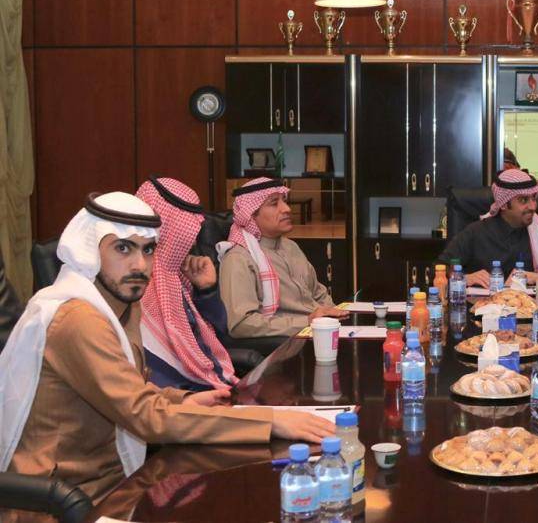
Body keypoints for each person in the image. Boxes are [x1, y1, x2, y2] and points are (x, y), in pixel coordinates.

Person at [0, 192, 335, 504]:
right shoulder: (78, 319)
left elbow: (129, 390)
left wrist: (181, 400)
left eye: (148, 250)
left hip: (113, 481)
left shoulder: (120, 306)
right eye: (123, 248)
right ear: (89, 251)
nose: (139, 265)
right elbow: (144, 415)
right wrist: (269, 421)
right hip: (70, 499)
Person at [136, 176, 236, 391]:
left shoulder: (178, 275)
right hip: (183, 396)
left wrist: (207, 290)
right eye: (187, 222)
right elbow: (158, 373)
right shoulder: (138, 286)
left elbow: (220, 334)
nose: (194, 232)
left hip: (209, 384)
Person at [218, 178, 346, 338]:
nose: (287, 209)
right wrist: (307, 322)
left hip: (322, 331)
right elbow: (241, 324)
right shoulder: (239, 259)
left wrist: (334, 315)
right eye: (274, 204)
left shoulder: (291, 246)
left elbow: (318, 293)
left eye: (284, 201)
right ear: (250, 215)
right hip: (290, 342)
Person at [439, 168, 538, 287]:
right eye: (523, 200)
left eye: (533, 198)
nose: (533, 206)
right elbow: (440, 268)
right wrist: (464, 278)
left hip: (528, 303)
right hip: (482, 303)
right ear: (504, 205)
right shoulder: (475, 232)